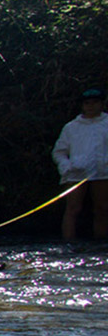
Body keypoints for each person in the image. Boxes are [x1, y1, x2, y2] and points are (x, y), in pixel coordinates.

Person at [54, 87, 108, 240]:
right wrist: (66, 167)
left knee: (102, 209)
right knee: (72, 209)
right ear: (82, 106)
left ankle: (100, 244)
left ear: (102, 104)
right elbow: (59, 152)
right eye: (87, 103)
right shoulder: (71, 127)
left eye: (95, 102)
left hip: (103, 172)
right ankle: (68, 245)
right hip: (76, 173)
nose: (91, 106)